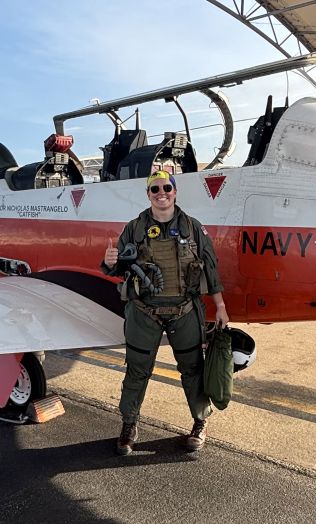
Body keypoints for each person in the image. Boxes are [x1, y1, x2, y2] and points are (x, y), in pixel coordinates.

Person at [101, 170, 229, 455]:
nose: (162, 193)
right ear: (148, 194)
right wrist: (109, 261)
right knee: (137, 371)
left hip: (185, 311)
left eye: (167, 188)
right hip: (144, 312)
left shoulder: (194, 228)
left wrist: (220, 307)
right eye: (155, 188)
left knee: (193, 370)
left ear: (174, 192)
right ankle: (129, 424)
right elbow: (117, 267)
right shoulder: (133, 228)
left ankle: (199, 422)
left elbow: (210, 269)